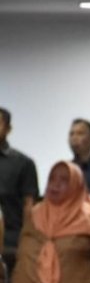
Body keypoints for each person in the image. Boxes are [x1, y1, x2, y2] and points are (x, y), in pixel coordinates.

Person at [0, 107, 39, 249]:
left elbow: (29, 204)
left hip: (11, 239)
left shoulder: (23, 163)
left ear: (8, 129)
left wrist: (28, 239)